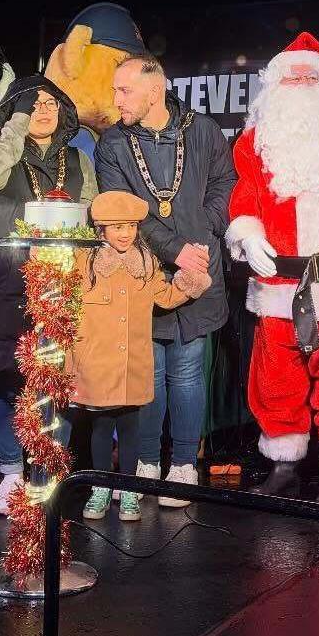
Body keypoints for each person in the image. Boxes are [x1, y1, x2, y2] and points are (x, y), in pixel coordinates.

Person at [225, 32, 319, 506]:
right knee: (276, 375)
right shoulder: (254, 143)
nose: (303, 84)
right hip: (278, 282)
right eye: (294, 77)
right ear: (275, 86)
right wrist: (247, 234)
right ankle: (286, 465)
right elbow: (245, 196)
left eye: (313, 77)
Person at [95, 55, 235, 506]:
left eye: (124, 90)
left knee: (189, 370)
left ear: (153, 92)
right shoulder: (113, 143)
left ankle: (183, 466)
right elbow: (121, 206)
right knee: (148, 372)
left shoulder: (204, 130)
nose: (115, 100)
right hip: (144, 271)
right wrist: (175, 249)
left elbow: (225, 184)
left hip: (198, 268)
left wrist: (204, 230)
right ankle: (147, 461)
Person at [0, 76, 98, 515]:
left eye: (50, 103)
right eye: (32, 104)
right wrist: (17, 121)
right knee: (8, 377)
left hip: (62, 286)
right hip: (7, 280)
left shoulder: (80, 159)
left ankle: (51, 469)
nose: (42, 110)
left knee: (56, 381)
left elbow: (90, 222)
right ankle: (10, 471)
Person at [69, 191, 210, 522]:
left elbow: (166, 296)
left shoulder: (145, 264)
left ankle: (129, 488)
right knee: (102, 428)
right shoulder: (84, 263)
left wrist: (191, 281)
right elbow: (63, 296)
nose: (125, 233)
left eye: (130, 226)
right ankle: (101, 487)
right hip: (98, 366)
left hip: (132, 364)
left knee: (131, 428)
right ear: (101, 229)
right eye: (117, 226)